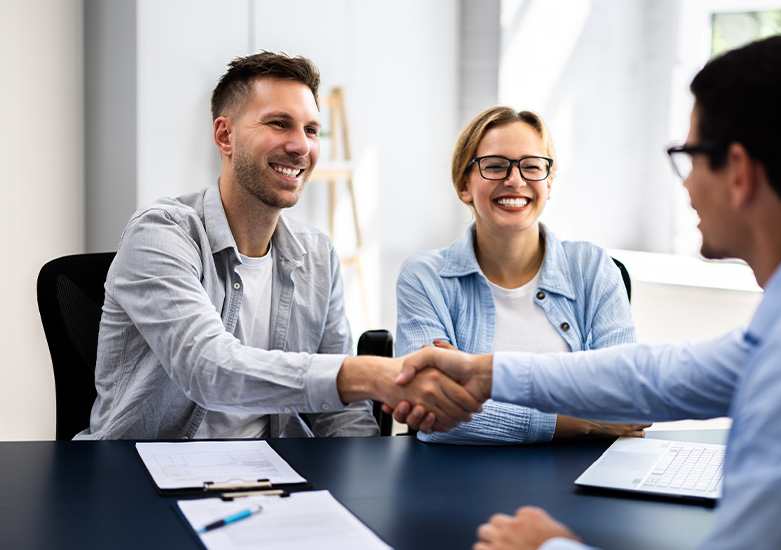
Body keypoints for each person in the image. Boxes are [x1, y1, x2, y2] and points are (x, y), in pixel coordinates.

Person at [394, 36, 781, 549]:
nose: (683, 183)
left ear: (738, 172)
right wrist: (484, 372)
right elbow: (663, 374)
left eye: (689, 157)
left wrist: (551, 547)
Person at [76, 52, 479, 440]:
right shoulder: (161, 233)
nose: (301, 146)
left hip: (274, 479)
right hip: (143, 478)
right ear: (225, 135)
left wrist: (363, 485)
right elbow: (208, 369)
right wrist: (372, 375)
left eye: (310, 130)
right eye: (279, 124)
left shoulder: (318, 255)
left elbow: (342, 415)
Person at [395, 106, 649, 444]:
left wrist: (476, 392)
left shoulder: (594, 267)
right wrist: (583, 420)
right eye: (496, 166)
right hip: (460, 480)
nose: (515, 180)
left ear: (549, 182)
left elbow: (625, 398)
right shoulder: (425, 278)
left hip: (580, 478)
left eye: (531, 166)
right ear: (464, 185)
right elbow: (435, 412)